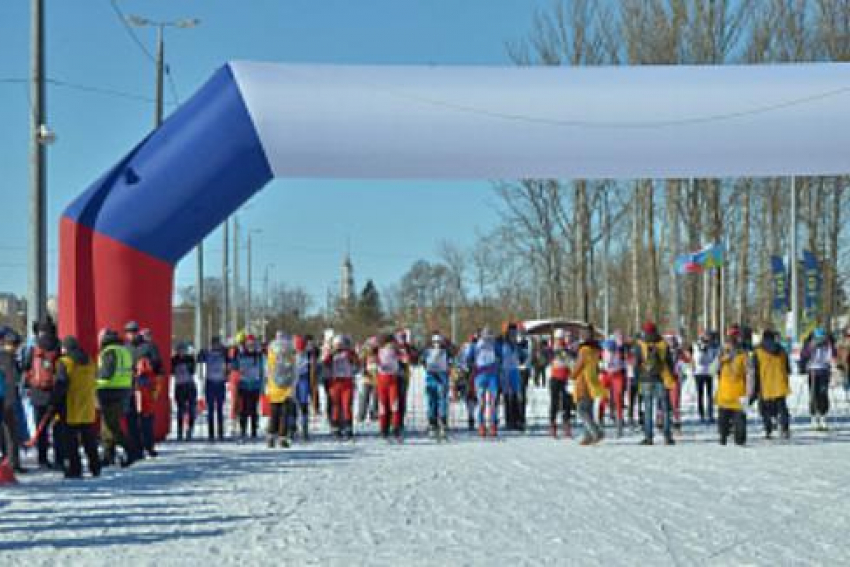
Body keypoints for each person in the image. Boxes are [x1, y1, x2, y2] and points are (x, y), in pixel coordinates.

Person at [52, 336, 100, 479]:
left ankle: (75, 469)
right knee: (89, 439)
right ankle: (95, 466)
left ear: (65, 348)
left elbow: (61, 385)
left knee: (71, 441)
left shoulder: (64, 362)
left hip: (71, 406)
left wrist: (53, 401)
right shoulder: (90, 361)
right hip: (87, 405)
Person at [97, 328, 137, 467]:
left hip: (109, 390)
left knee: (111, 426)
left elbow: (106, 372)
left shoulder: (109, 352)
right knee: (109, 425)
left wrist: (93, 377)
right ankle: (108, 456)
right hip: (123, 390)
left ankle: (131, 450)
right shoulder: (124, 350)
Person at [25, 318, 61, 469]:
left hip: (37, 393)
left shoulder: (34, 348)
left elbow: (26, 366)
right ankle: (60, 457)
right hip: (54, 392)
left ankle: (43, 458)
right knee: (58, 426)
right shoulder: (58, 346)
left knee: (41, 427)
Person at [634, 321, 675, 446]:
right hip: (661, 378)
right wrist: (670, 375)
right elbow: (669, 362)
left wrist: (638, 379)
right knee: (665, 408)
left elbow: (637, 363)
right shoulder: (663, 344)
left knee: (648, 409)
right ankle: (667, 436)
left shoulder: (640, 345)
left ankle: (648, 437)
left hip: (646, 380)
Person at [715, 327, 753, 446]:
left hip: (738, 393)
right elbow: (713, 370)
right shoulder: (721, 354)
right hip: (725, 393)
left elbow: (750, 373)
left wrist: (749, 391)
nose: (731, 341)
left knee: (739, 424)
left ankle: (739, 441)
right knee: (723, 423)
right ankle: (724, 438)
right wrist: (721, 361)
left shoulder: (743, 355)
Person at [753, 329, 792, 440]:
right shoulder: (782, 350)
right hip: (780, 382)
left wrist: (754, 387)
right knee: (782, 407)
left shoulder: (758, 351)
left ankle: (768, 429)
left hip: (765, 383)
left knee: (764, 408)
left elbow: (755, 369)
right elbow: (788, 368)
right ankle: (785, 429)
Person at [571, 325, 606, 446]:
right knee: (589, 408)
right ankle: (588, 435)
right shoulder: (596, 348)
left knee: (581, 409)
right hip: (593, 379)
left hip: (583, 380)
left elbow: (580, 364)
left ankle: (595, 431)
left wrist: (572, 374)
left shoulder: (584, 349)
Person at [324, 335, 359, 439]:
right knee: (336, 405)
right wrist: (331, 353)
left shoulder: (349, 353)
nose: (339, 346)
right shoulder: (331, 354)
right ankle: (336, 428)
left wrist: (350, 355)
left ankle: (348, 427)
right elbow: (325, 363)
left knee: (346, 405)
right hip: (335, 382)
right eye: (337, 344)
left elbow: (357, 363)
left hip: (347, 381)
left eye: (341, 344)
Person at [267, 333, 297, 448]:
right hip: (276, 388)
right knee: (275, 414)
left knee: (283, 414)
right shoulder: (273, 356)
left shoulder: (290, 357)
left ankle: (282, 437)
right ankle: (271, 436)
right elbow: (269, 371)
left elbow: (294, 372)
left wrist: (293, 386)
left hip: (285, 389)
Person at [801, 328, 835, 431]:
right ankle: (814, 416)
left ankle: (823, 416)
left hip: (824, 371)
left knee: (823, 394)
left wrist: (831, 347)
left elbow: (832, 355)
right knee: (813, 394)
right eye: (818, 338)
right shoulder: (810, 344)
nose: (820, 340)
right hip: (813, 371)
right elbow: (803, 356)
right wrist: (810, 349)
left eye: (822, 338)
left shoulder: (828, 345)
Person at [469, 327, 500, 438]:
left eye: (489, 336)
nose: (487, 338)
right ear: (481, 335)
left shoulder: (494, 344)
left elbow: (500, 355)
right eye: (485, 336)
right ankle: (481, 425)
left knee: (493, 402)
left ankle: (493, 425)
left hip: (492, 375)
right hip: (480, 375)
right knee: (481, 402)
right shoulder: (475, 345)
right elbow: (469, 358)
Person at [232, 335, 264, 441]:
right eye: (249, 344)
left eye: (252, 344)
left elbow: (262, 371)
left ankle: (254, 430)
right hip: (243, 385)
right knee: (243, 410)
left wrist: (262, 386)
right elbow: (234, 366)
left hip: (254, 385)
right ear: (245, 344)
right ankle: (243, 430)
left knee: (254, 409)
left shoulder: (258, 355)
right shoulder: (241, 354)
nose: (251, 346)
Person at [0, 329, 23, 472]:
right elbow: (12, 380)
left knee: (5, 431)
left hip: (3, 398)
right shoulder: (8, 358)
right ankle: (12, 463)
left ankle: (6, 460)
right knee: (11, 432)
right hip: (6, 399)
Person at [421, 333, 451, 439]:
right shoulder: (427, 352)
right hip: (431, 379)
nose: (437, 344)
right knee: (432, 402)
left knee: (441, 401)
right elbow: (423, 362)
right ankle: (433, 424)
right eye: (435, 342)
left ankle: (442, 423)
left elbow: (450, 362)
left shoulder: (446, 352)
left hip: (442, 379)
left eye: (439, 342)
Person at [599, 331, 628, 437]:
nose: (611, 352)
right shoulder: (603, 350)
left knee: (618, 398)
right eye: (608, 350)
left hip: (617, 375)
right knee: (603, 397)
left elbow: (626, 361)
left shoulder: (621, 349)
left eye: (612, 350)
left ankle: (619, 424)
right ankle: (601, 420)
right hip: (606, 374)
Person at [200, 336, 229, 441]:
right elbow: (199, 359)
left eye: (218, 344)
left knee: (220, 409)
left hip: (220, 383)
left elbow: (230, 359)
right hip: (210, 383)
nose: (216, 346)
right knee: (210, 409)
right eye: (214, 344)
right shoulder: (208, 353)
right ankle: (211, 433)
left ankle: (220, 432)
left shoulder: (223, 353)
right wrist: (202, 350)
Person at [498, 323, 527, 431]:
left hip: (514, 371)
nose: (513, 334)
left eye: (514, 332)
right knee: (507, 396)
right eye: (511, 332)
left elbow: (522, 357)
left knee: (516, 395)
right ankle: (509, 420)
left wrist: (523, 353)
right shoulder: (501, 343)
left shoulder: (517, 344)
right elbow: (497, 355)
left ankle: (517, 420)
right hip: (505, 371)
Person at [548, 328, 575, 439]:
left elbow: (571, 361)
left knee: (567, 402)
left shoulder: (568, 348)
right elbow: (547, 357)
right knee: (554, 402)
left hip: (565, 378)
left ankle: (566, 424)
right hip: (555, 378)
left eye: (561, 338)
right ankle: (553, 424)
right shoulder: (552, 348)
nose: (560, 340)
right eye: (558, 338)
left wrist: (568, 352)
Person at [376, 334, 402, 441]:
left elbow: (405, 358)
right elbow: (371, 361)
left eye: (392, 343)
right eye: (388, 343)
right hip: (382, 380)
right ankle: (383, 429)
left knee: (394, 405)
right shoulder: (378, 351)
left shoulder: (396, 351)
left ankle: (395, 428)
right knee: (383, 405)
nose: (390, 345)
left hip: (393, 380)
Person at [172, 342, 198, 441]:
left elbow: (192, 370)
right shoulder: (174, 359)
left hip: (189, 385)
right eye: (179, 350)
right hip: (179, 386)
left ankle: (190, 430)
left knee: (191, 409)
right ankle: (180, 431)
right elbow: (171, 371)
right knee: (180, 410)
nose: (181, 352)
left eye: (183, 350)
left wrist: (190, 362)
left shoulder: (189, 359)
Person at [693, 331, 719, 424]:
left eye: (709, 337)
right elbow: (698, 360)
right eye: (706, 337)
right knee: (700, 395)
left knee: (709, 395)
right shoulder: (697, 345)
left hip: (709, 372)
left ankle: (710, 414)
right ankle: (701, 414)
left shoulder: (713, 346)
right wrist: (703, 350)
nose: (708, 339)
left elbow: (714, 358)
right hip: (699, 373)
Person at [294, 335, 315, 441]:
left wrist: (312, 383)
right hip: (293, 380)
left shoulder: (308, 354)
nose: (300, 351)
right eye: (298, 349)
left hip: (303, 380)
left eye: (301, 349)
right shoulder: (291, 354)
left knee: (303, 404)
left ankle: (304, 429)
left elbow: (312, 368)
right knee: (292, 405)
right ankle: (292, 428)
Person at [396, 331, 418, 429]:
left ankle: (400, 421)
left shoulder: (409, 347)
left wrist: (411, 354)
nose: (402, 340)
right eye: (400, 338)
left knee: (402, 398)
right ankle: (392, 420)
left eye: (403, 338)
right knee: (393, 399)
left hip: (404, 376)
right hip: (392, 375)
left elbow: (415, 358)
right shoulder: (393, 347)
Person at [358, 337, 379, 424]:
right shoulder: (365, 353)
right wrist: (363, 370)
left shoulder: (380, 353)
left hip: (377, 379)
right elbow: (361, 362)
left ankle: (374, 414)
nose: (372, 347)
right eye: (371, 345)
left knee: (376, 398)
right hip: (367, 379)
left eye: (374, 345)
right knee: (364, 397)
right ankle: (361, 415)